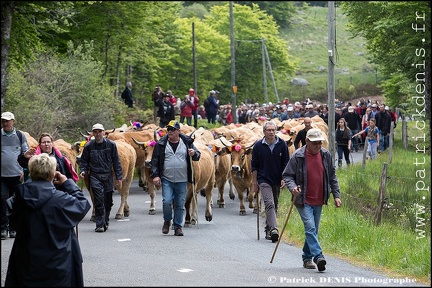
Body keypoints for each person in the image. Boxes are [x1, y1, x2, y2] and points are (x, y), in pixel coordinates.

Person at [4, 153, 91, 286]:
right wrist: (67, 183)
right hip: (59, 263)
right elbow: (83, 204)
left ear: (31, 173)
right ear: (52, 174)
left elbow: (12, 219)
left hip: (27, 262)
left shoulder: (19, 199)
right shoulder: (61, 200)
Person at [282, 128, 342, 272]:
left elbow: (332, 177)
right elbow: (287, 175)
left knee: (313, 230)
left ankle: (306, 258)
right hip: (303, 199)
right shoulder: (298, 156)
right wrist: (293, 188)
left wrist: (337, 195)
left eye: (320, 143)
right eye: (315, 143)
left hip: (319, 198)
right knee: (310, 227)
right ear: (307, 141)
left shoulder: (326, 155)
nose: (318, 146)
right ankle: (318, 256)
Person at [150, 120, 201, 236]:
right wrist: (155, 175)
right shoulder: (161, 144)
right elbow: (155, 161)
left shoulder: (187, 142)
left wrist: (194, 153)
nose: (170, 132)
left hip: (182, 179)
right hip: (167, 178)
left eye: (172, 129)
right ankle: (167, 220)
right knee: (167, 201)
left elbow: (197, 155)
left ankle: (178, 226)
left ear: (178, 131)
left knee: (179, 204)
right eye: (168, 129)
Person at [79, 123, 123, 232]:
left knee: (108, 201)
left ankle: (105, 220)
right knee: (98, 200)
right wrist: (83, 170)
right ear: (93, 133)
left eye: (99, 132)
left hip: (108, 175)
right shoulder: (89, 146)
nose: (98, 134)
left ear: (103, 132)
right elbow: (84, 161)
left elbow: (116, 161)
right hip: (95, 176)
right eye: (95, 132)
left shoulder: (111, 145)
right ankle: (99, 224)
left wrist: (118, 177)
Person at [251, 121, 289, 243]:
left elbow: (286, 163)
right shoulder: (258, 146)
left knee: (275, 204)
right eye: (269, 130)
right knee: (269, 203)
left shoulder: (282, 144)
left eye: (273, 130)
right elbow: (254, 166)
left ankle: (268, 229)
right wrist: (254, 183)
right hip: (264, 179)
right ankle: (274, 229)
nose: (271, 132)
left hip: (277, 179)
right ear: (264, 132)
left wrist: (284, 178)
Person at [1, 112, 33, 240]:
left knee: (17, 201)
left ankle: (14, 228)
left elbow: (26, 154)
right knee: (2, 200)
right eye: (3, 121)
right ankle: (3, 228)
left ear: (13, 121)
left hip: (17, 175)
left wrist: (24, 170)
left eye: (7, 121)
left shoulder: (20, 136)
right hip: (2, 176)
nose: (5, 123)